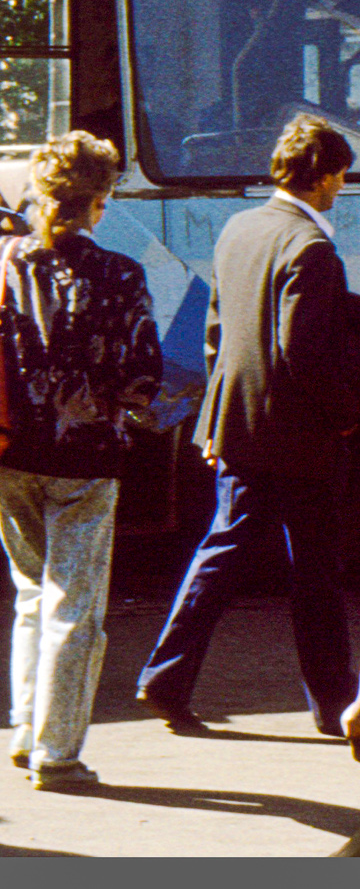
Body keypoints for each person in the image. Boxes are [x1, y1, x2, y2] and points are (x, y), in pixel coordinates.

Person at [136, 113, 360, 739]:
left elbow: (220, 331)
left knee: (221, 554)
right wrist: (348, 417)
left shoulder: (241, 229)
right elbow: (305, 354)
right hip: (301, 440)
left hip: (239, 430)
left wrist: (215, 418)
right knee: (316, 574)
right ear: (330, 176)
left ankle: (166, 676)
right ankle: (335, 706)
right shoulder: (313, 249)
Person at [0, 133, 162, 789]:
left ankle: (24, 728)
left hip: (6, 451)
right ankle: (57, 750)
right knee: (76, 606)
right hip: (85, 461)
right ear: (100, 201)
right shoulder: (121, 274)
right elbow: (145, 371)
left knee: (30, 593)